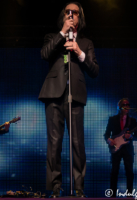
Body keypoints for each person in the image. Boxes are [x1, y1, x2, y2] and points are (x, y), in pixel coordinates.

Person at [38, 2, 99, 198]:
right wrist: (63, 32)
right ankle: (55, 187)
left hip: (76, 94)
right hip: (54, 94)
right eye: (67, 13)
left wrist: (80, 53)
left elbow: (95, 70)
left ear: (80, 18)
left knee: (77, 143)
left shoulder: (86, 42)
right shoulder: (52, 37)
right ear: (63, 17)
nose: (71, 15)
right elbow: (44, 54)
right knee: (54, 143)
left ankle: (79, 187)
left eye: (74, 13)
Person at [104, 98, 137, 198]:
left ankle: (129, 195)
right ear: (120, 107)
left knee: (129, 172)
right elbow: (106, 134)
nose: (127, 107)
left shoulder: (132, 121)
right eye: (125, 105)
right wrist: (109, 140)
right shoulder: (112, 119)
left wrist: (131, 136)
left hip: (128, 150)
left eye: (128, 105)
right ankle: (112, 195)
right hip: (116, 149)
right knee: (114, 172)